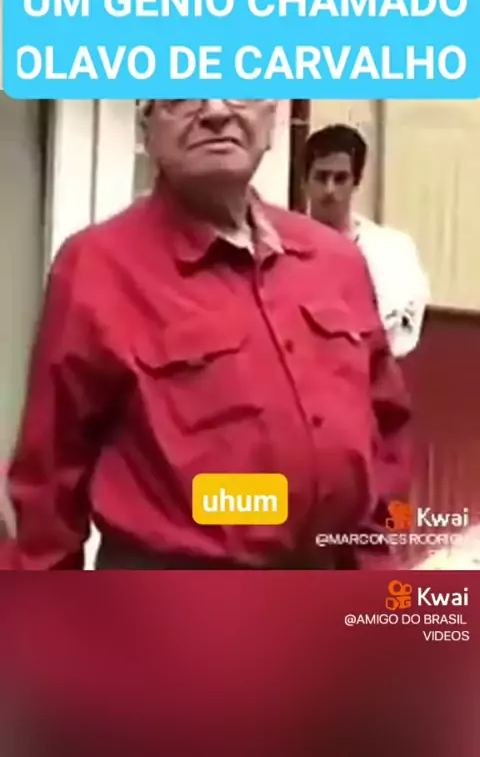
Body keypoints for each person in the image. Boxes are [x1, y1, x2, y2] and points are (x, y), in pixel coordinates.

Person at [5, 99, 412, 570]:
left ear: (271, 116)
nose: (216, 110)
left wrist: (380, 566)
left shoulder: (336, 262)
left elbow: (388, 433)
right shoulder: (97, 268)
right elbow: (47, 490)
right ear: (147, 123)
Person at [304, 124, 429, 359]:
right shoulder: (281, 247)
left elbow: (402, 334)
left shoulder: (392, 252)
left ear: (356, 182)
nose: (329, 189)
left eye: (340, 178)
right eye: (321, 177)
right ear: (306, 180)